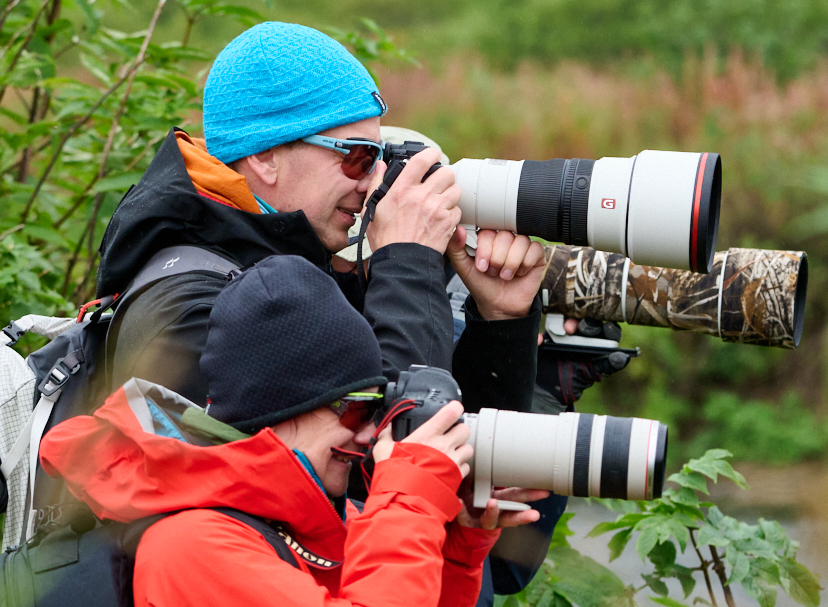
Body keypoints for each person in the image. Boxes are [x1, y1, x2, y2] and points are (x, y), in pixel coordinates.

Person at [40, 256, 548, 606]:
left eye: (378, 410)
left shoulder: (323, 521)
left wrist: (454, 549)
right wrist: (408, 504)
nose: (371, 435)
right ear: (280, 408)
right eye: (356, 408)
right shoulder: (192, 545)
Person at [95, 21, 544, 417]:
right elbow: (386, 458)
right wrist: (408, 260)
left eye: (381, 157)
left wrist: (500, 320)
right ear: (265, 156)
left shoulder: (294, 268)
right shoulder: (191, 313)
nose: (373, 183)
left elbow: (454, 474)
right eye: (358, 157)